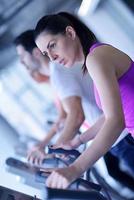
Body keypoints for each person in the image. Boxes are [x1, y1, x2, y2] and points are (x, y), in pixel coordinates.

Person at [34, 12, 134, 189]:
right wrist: (77, 141)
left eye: (53, 46)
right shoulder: (95, 58)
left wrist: (75, 169)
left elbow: (116, 121)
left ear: (70, 33)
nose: (52, 57)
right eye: (45, 53)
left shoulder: (96, 58)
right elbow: (115, 113)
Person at [14, 30, 102, 165]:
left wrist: (53, 149)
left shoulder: (58, 72)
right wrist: (44, 144)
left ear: (36, 53)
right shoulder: (57, 72)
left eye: (22, 56)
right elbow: (64, 115)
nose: (21, 62)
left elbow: (76, 115)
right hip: (104, 130)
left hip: (113, 130)